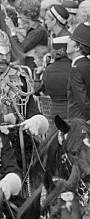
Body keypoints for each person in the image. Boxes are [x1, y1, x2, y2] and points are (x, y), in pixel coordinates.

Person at [0, 30, 49, 170]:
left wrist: (37, 121)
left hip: (17, 148)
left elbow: (32, 111)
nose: (3, 60)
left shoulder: (19, 78)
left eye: (6, 55)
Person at [40, 36, 72, 137]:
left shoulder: (48, 69)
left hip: (54, 113)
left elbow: (42, 90)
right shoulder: (74, 67)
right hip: (71, 112)